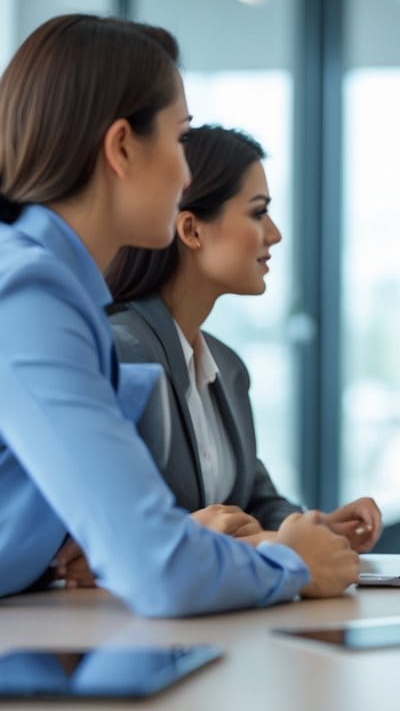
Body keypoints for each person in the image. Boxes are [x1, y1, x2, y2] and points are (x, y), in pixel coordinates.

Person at [0, 14, 357, 616]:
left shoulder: (56, 294)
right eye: (178, 138)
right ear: (121, 148)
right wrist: (292, 563)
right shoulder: (29, 296)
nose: (186, 172)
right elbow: (157, 567)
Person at [97, 125, 381, 568]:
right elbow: (119, 529)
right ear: (192, 229)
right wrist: (276, 544)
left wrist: (315, 528)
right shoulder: (123, 354)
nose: (275, 234)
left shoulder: (227, 367)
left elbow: (255, 500)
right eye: (258, 212)